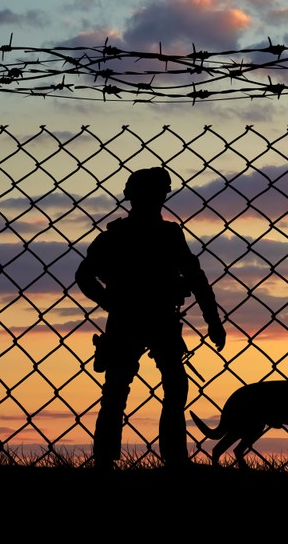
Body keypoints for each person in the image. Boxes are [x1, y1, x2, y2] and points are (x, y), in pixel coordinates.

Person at [75, 166, 226, 469]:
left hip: (140, 318)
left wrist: (111, 302)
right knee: (146, 386)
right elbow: (196, 278)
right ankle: (168, 459)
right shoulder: (151, 235)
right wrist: (213, 321)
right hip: (148, 318)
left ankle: (115, 459)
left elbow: (195, 278)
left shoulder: (132, 235)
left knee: (127, 388)